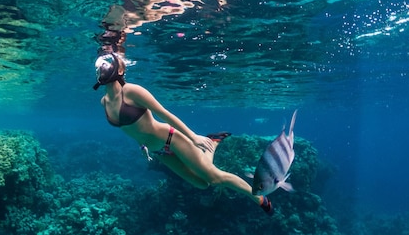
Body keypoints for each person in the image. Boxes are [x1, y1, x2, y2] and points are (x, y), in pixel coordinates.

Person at [93, 53, 274, 215]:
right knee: (202, 184)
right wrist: (142, 146)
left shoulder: (132, 91)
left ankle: (257, 197)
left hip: (171, 139)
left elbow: (164, 114)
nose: (103, 67)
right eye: (100, 66)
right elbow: (131, 129)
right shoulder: (104, 102)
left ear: (118, 68)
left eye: (107, 64)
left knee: (214, 177)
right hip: (158, 152)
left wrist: (193, 137)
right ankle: (212, 144)